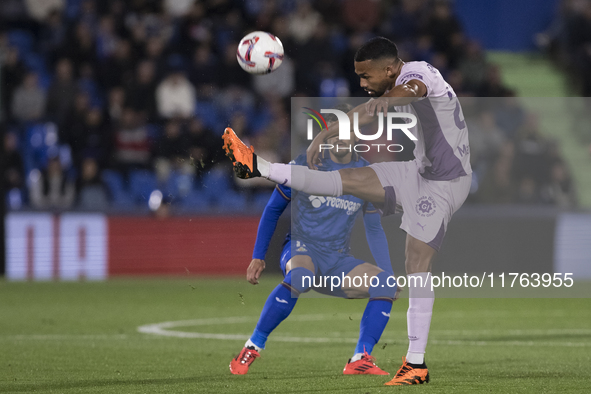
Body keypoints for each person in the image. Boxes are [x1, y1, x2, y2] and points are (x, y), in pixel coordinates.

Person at [223, 37, 472, 386]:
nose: (362, 84)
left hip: (445, 183)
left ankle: (414, 364)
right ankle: (260, 166)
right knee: (351, 178)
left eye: (366, 77)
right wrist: (329, 132)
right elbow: (378, 107)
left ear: (389, 69)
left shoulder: (416, 78)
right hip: (417, 170)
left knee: (416, 263)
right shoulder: (400, 83)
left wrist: (333, 128)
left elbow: (402, 96)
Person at [230, 109, 397, 376]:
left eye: (348, 133)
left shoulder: (366, 174)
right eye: (336, 134)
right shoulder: (306, 163)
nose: (342, 140)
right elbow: (273, 209)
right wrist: (258, 255)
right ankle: (253, 345)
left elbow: (374, 228)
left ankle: (360, 358)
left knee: (386, 284)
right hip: (301, 248)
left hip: (336, 259)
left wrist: (388, 270)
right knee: (301, 277)